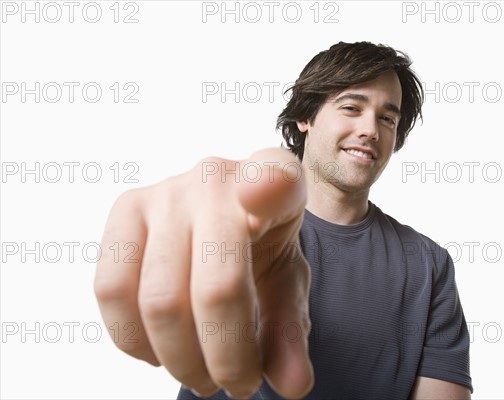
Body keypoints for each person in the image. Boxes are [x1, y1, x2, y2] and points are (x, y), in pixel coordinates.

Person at [95, 41, 473, 399]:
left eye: (387, 117)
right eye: (351, 108)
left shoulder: (428, 264)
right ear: (305, 116)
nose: (370, 130)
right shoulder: (247, 225)